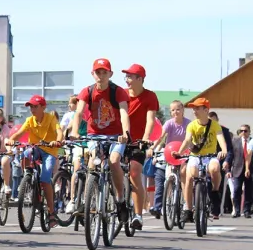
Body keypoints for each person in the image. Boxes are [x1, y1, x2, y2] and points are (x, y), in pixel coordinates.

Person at [69, 58, 131, 223]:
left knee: (114, 160)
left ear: (110, 74)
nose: (101, 76)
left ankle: (119, 199)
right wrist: (75, 131)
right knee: (91, 161)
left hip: (116, 135)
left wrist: (125, 133)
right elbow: (79, 113)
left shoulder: (118, 91)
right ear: (92, 74)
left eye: (104, 72)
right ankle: (88, 200)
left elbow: (124, 113)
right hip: (94, 134)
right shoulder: (87, 91)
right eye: (98, 72)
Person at [5, 95, 63, 228]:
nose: (32, 109)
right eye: (30, 106)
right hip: (35, 148)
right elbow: (19, 133)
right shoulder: (29, 120)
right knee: (25, 153)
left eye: (35, 106)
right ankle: (29, 178)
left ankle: (51, 212)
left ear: (43, 107)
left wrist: (58, 141)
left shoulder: (51, 118)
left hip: (50, 150)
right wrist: (12, 139)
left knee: (45, 178)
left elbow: (59, 131)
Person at [175, 98, 226, 224]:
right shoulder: (192, 125)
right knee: (190, 175)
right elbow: (187, 140)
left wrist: (224, 150)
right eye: (193, 108)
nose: (194, 111)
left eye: (197, 108)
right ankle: (189, 209)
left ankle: (214, 191)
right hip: (195, 156)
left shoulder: (214, 125)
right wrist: (180, 152)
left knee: (214, 168)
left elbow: (221, 139)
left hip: (210, 156)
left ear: (206, 110)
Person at [122, 63, 159, 229]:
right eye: (127, 76)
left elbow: (150, 120)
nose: (127, 80)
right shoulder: (121, 94)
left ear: (140, 79)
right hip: (120, 139)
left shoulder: (150, 96)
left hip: (138, 141)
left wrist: (145, 138)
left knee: (135, 171)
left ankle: (137, 215)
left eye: (131, 76)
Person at [149, 100, 191, 218]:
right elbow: (160, 137)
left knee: (183, 173)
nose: (175, 112)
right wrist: (153, 148)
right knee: (168, 177)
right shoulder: (168, 123)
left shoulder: (188, 124)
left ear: (183, 110)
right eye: (172, 110)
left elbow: (190, 140)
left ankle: (187, 204)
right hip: (170, 154)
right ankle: (166, 202)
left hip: (184, 154)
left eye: (178, 109)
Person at [62, 95, 89, 214]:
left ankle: (88, 196)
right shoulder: (76, 114)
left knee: (92, 168)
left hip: (90, 142)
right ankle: (72, 200)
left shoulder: (91, 112)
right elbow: (69, 127)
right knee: (76, 169)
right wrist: (67, 135)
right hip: (79, 143)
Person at [208, 111, 233, 218]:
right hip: (206, 159)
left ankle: (215, 211)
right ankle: (205, 206)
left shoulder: (224, 131)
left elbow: (230, 149)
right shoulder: (203, 129)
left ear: (217, 120)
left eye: (214, 120)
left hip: (220, 161)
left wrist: (227, 161)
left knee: (218, 186)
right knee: (206, 184)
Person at [228, 124, 253, 218]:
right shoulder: (235, 141)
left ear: (249, 132)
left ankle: (246, 210)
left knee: (248, 191)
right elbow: (230, 156)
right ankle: (237, 210)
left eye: (245, 131)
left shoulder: (252, 141)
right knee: (237, 189)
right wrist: (228, 170)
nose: (243, 133)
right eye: (241, 130)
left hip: (250, 169)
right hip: (237, 168)